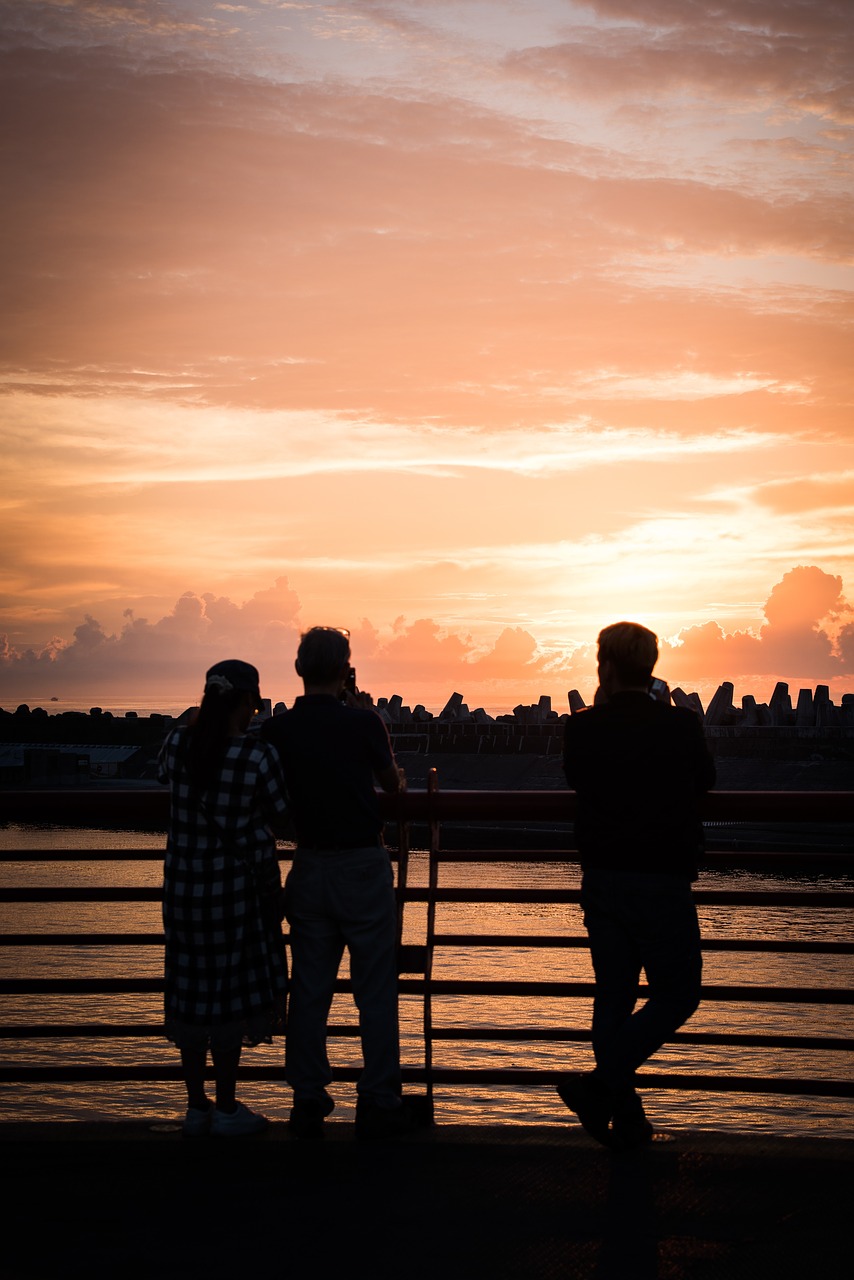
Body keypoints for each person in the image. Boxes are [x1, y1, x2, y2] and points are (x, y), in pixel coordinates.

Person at [558, 621, 716, 1149]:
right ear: (651, 667)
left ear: (603, 666)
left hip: (602, 877)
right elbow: (706, 781)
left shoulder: (581, 727)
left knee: (614, 996)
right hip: (662, 878)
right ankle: (607, 1093)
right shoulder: (681, 725)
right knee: (678, 994)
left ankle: (623, 1114)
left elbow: (577, 778)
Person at [259, 626, 416, 1140]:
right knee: (375, 991)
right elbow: (391, 783)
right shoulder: (364, 722)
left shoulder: (279, 730)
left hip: (308, 865)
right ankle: (378, 1096)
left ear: (300, 670)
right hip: (362, 866)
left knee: (309, 990)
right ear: (346, 671)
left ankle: (308, 1094)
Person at [158, 659, 289, 1137]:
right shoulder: (256, 757)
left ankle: (196, 1106)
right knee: (230, 996)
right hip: (236, 893)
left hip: (183, 891)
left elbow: (160, 775)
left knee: (190, 991)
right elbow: (283, 816)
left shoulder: (177, 743)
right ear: (248, 702)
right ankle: (229, 1107)